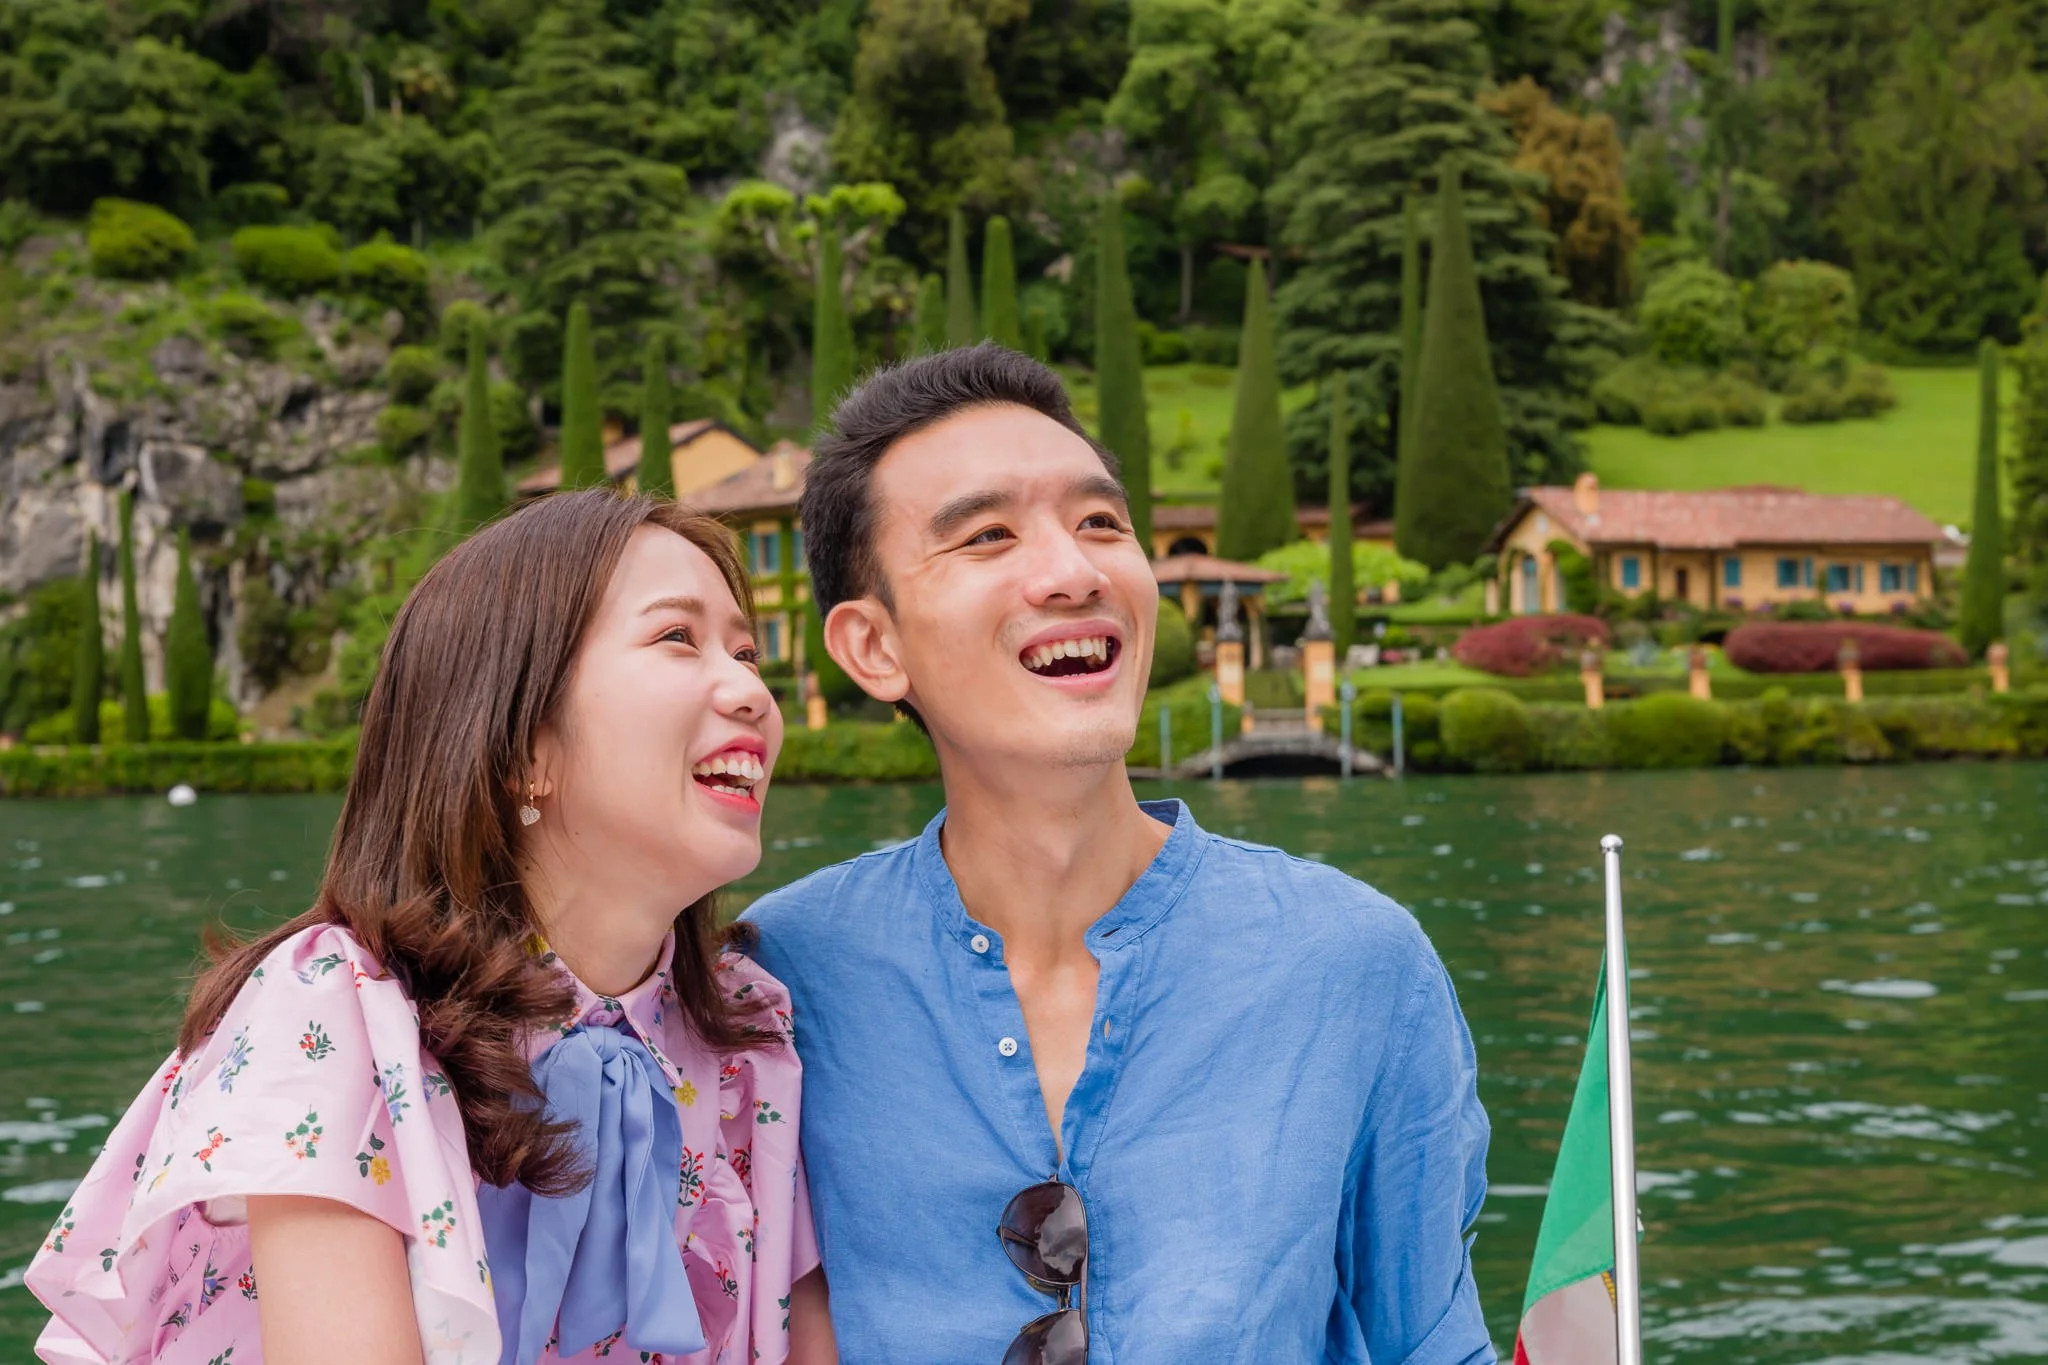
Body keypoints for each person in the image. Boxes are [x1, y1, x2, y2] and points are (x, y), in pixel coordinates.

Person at [742, 345, 1493, 1364]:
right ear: (873, 648)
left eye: (1100, 523)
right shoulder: (770, 985)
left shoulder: (1356, 963)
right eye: (987, 535)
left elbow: (1429, 1341)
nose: (1073, 571)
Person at [27, 492, 835, 1365]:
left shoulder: (751, 1032)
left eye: (747, 651)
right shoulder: (342, 1012)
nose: (752, 689)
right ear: (524, 745)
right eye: (678, 637)